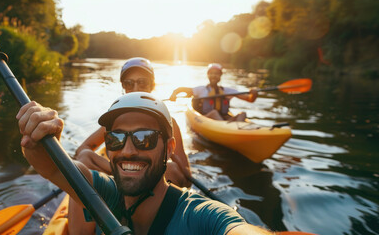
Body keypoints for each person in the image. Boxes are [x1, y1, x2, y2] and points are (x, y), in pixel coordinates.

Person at [17, 92, 272, 234]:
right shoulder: (105, 193)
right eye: (116, 139)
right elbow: (50, 166)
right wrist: (38, 138)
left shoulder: (200, 216)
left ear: (169, 148)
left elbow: (237, 230)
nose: (127, 151)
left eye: (144, 139)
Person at [70, 58, 192, 234]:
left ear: (152, 85)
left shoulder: (168, 122)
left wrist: (165, 154)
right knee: (83, 159)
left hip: (152, 181)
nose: (135, 88)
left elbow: (185, 176)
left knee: (172, 169)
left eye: (142, 82)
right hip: (118, 178)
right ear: (123, 87)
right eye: (129, 83)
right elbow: (82, 149)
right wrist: (117, 170)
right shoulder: (115, 120)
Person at [169, 63, 258, 122]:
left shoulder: (227, 91)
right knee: (214, 113)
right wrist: (174, 94)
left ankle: (237, 132)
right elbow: (181, 89)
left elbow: (249, 99)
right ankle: (227, 129)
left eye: (216, 73)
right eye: (211, 73)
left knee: (243, 114)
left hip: (224, 119)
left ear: (220, 76)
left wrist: (254, 94)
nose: (214, 76)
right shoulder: (201, 89)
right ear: (208, 75)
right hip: (206, 119)